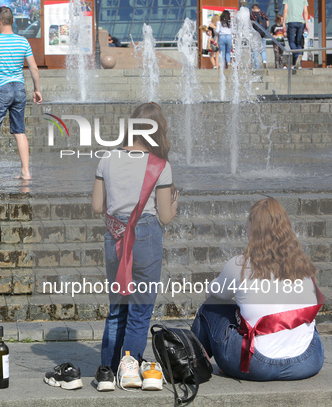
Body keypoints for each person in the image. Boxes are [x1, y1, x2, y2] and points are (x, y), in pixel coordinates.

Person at [91, 103, 178, 389]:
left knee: (117, 308)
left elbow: (97, 207)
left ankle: (107, 371)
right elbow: (165, 216)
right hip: (145, 238)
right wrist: (175, 200)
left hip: (115, 237)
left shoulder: (107, 158)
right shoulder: (160, 166)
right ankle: (129, 369)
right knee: (140, 311)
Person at [191, 197, 325, 381]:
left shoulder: (241, 265)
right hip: (308, 361)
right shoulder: (303, 265)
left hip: (257, 365)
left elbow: (213, 294)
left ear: (252, 230)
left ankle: (193, 362)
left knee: (211, 306)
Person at [0, 6, 42, 180]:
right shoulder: (23, 41)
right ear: (12, 21)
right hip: (19, 88)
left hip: (0, 89)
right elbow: (34, 68)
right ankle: (26, 171)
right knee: (20, 131)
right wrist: (37, 89)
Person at [283, 0, 308, 70]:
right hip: (301, 22)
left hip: (291, 22)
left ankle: (297, 55)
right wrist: (307, 24)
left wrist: (284, 23)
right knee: (299, 42)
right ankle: (298, 64)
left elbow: (285, 10)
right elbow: (305, 12)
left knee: (291, 41)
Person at [250, 4, 269, 70]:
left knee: (255, 51)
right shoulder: (263, 14)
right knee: (263, 50)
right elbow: (267, 24)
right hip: (263, 34)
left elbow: (250, 24)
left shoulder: (252, 14)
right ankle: (264, 61)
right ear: (259, 9)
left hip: (255, 35)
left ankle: (257, 67)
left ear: (252, 9)